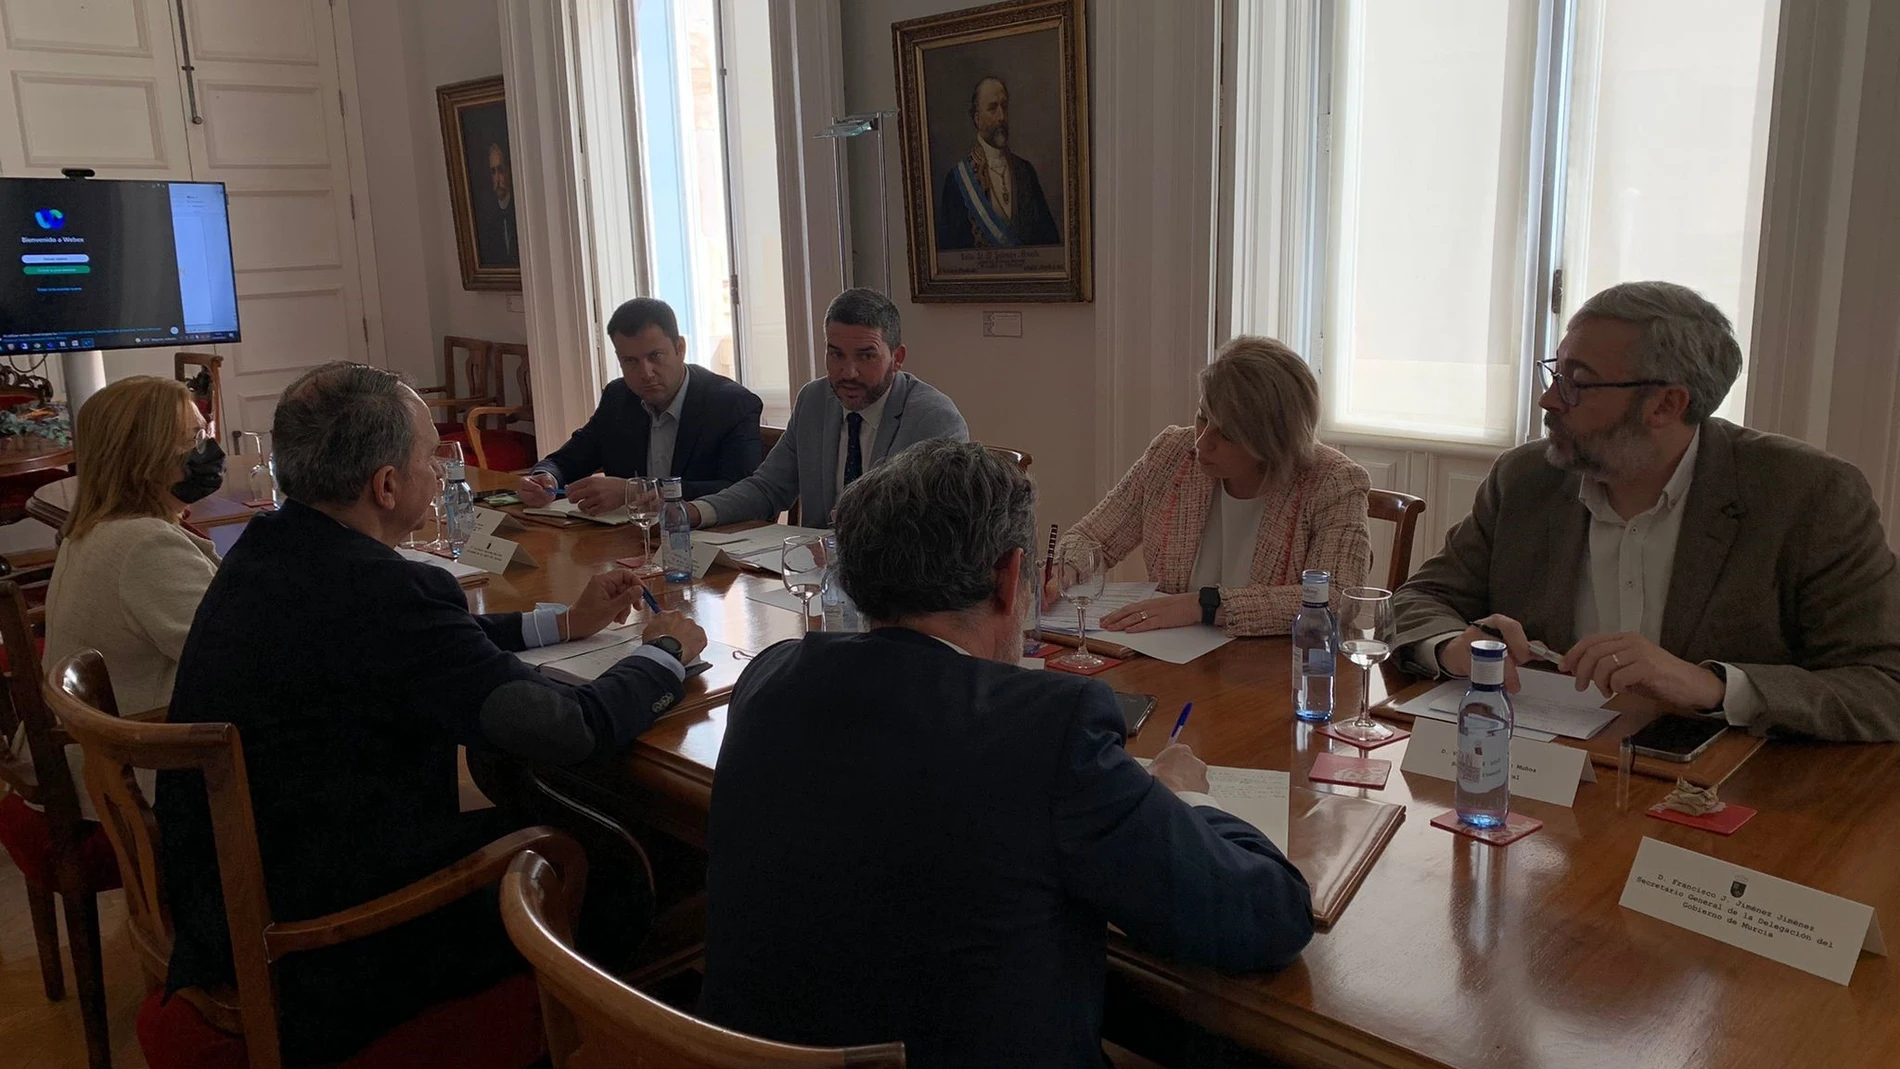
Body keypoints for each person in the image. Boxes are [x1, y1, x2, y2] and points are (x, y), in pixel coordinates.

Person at [155, 362, 709, 1064]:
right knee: (618, 870)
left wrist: (564, 622)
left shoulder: (269, 548)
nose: (441, 465)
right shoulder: (380, 591)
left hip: (241, 901)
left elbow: (428, 646)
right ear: (386, 485)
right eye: (428, 455)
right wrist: (661, 656)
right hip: (332, 939)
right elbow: (568, 729)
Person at [700, 440, 1313, 1068]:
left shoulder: (771, 676)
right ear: (1010, 575)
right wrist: (1182, 795)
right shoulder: (1051, 731)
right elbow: (1265, 917)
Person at [1392, 280, 1900, 743]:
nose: (1548, 400)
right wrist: (1450, 646)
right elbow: (1422, 598)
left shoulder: (1808, 494)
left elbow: (1881, 685)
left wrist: (1711, 685)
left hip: (1729, 796)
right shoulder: (1526, 479)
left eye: (1577, 383)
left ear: (1665, 405)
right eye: (1555, 373)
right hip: (1540, 770)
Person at [1054, 336, 1371, 636]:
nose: (1202, 443)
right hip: (1174, 657)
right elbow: (1091, 538)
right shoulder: (1172, 454)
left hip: (1281, 668)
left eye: (1228, 434)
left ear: (1273, 441)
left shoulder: (1333, 481)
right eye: (1202, 417)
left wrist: (1204, 606)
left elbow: (1338, 598)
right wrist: (1065, 570)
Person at [13, 377, 221, 819]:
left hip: (94, 756)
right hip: (134, 780)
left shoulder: (95, 526)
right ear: (146, 460)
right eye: (196, 437)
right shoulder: (144, 546)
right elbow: (232, 661)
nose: (209, 447)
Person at [685, 288, 967, 529]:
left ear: (897, 358)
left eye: (866, 356)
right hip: (812, 576)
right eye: (836, 354)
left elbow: (938, 528)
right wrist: (695, 512)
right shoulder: (814, 400)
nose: (849, 372)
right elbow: (768, 487)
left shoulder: (934, 419)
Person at [517, 297, 763, 515]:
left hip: (707, 540)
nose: (645, 373)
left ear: (680, 348)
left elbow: (742, 489)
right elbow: (569, 458)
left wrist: (636, 491)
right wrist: (545, 478)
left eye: (655, 356)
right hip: (628, 540)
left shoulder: (731, 403)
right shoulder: (618, 396)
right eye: (630, 361)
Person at [936, 76, 1061, 249]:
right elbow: (950, 255)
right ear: (977, 118)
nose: (1001, 117)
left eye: (1004, 106)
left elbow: (1050, 246)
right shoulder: (957, 181)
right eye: (993, 108)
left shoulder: (1025, 171)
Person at [475, 141, 520, 267]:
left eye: (500, 170)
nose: (498, 179)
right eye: (493, 172)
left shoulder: (520, 211)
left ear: (508, 171)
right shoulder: (487, 217)